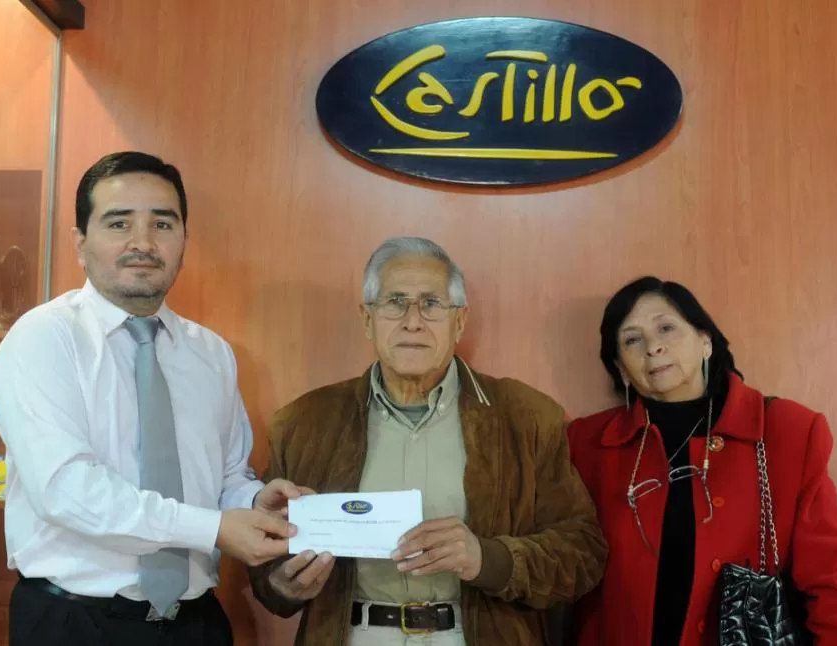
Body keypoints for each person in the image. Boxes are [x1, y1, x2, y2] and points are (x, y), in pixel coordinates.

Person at [0, 151, 302, 646]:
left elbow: (223, 477)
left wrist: (255, 501)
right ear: (80, 243)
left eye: (162, 223)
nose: (143, 243)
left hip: (196, 624)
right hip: (74, 624)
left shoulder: (211, 353)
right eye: (118, 223)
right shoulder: (43, 339)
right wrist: (214, 528)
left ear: (183, 241)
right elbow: (65, 490)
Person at [248, 236, 607, 645]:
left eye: (431, 303)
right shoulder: (304, 422)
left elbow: (583, 553)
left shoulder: (526, 417)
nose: (413, 320)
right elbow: (263, 557)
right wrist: (281, 583)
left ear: (460, 321)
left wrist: (486, 559)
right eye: (395, 301)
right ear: (368, 319)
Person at [567, 276, 837, 645]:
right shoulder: (588, 445)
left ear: (705, 340)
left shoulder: (785, 433)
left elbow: (833, 587)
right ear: (619, 366)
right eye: (633, 339)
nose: (653, 347)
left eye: (666, 328)